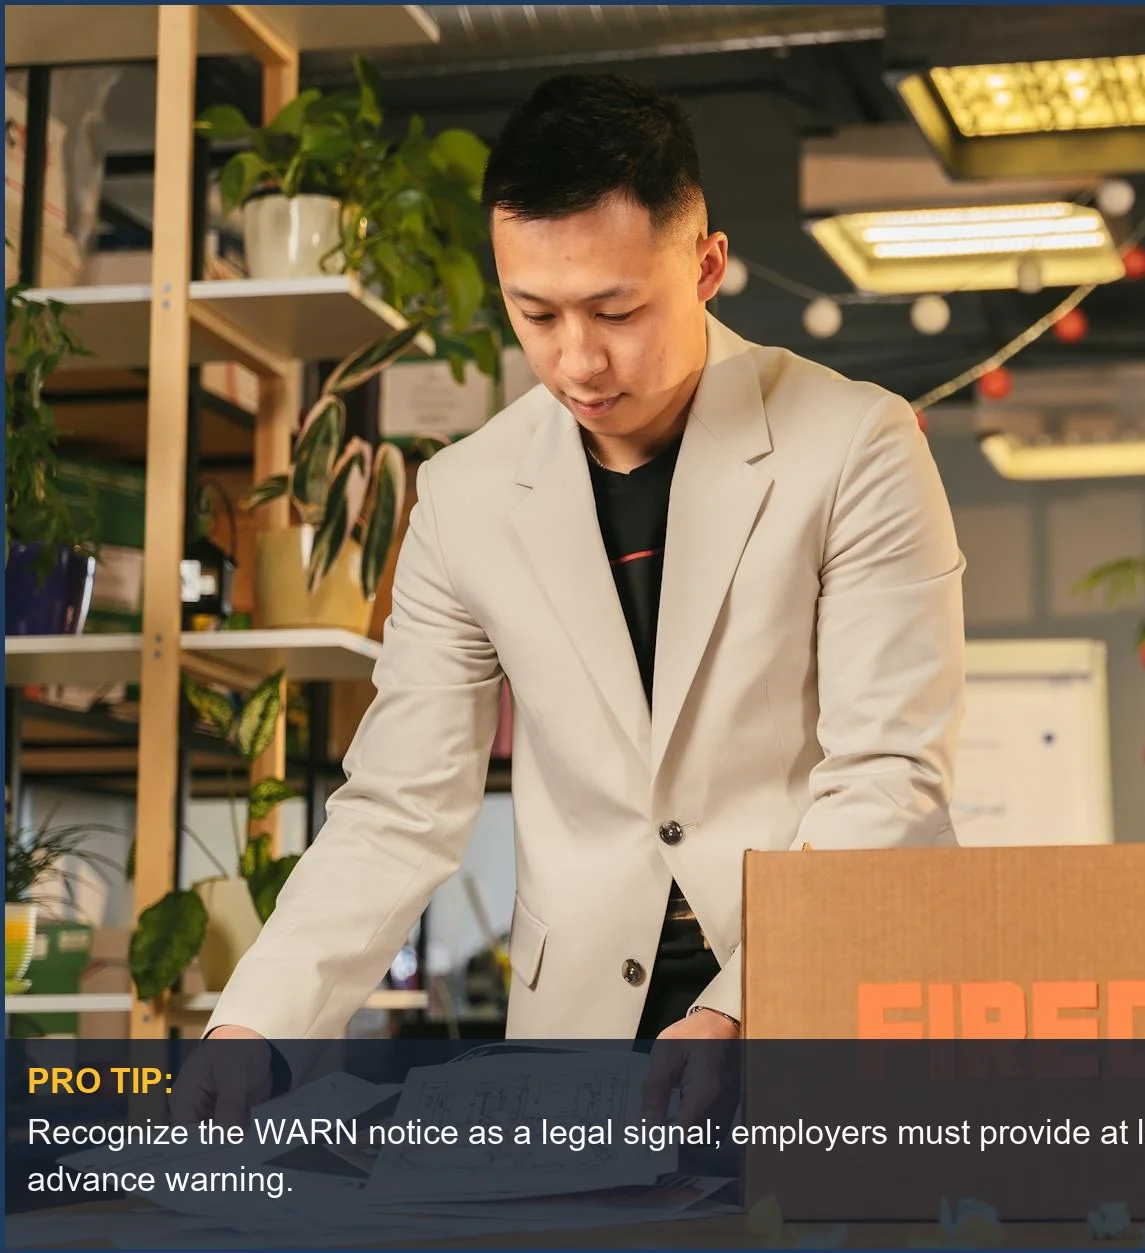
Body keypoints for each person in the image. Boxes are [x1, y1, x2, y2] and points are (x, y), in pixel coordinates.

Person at [176, 72, 965, 1122]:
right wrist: (256, 1024)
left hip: (824, 999)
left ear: (706, 266)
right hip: (584, 1032)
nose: (577, 359)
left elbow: (887, 774)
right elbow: (399, 804)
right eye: (534, 313)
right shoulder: (463, 499)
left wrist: (746, 1003)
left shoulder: (855, 445)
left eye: (615, 309)